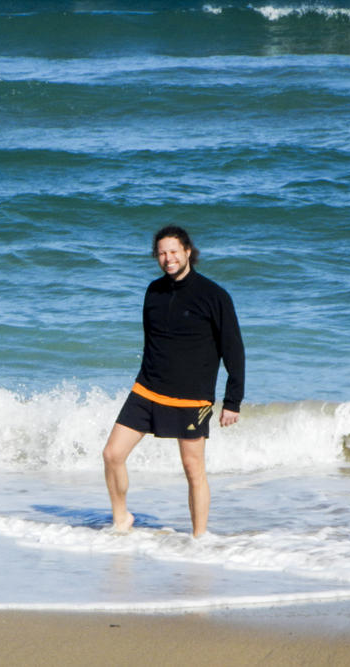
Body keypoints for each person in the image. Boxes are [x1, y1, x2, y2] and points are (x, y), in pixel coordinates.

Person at [103, 225, 245, 538]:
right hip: (147, 389)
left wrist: (232, 401)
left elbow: (233, 350)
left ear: (188, 252)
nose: (168, 259)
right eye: (162, 253)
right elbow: (151, 341)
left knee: (193, 469)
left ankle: (199, 538)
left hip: (191, 398)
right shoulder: (153, 292)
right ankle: (121, 519)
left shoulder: (214, 296)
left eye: (173, 252)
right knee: (112, 454)